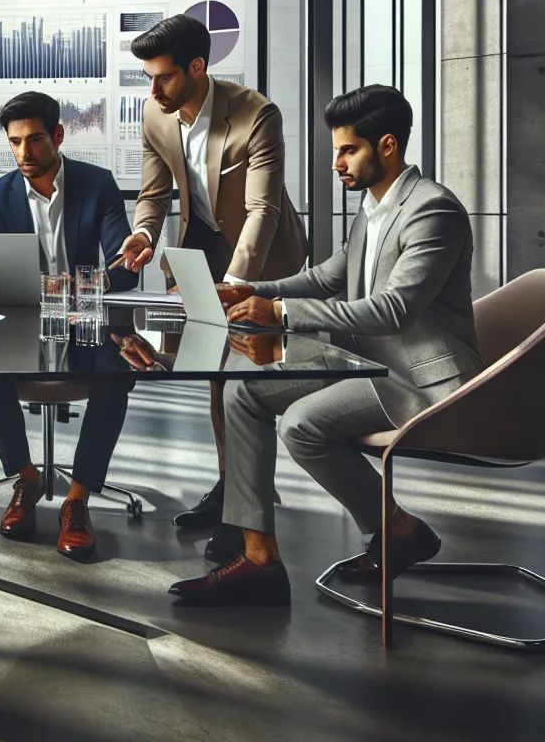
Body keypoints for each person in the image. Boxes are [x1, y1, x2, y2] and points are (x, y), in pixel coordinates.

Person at [167, 85, 484, 606]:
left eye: (346, 149)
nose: (336, 161)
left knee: (301, 423)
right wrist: (250, 290)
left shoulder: (433, 212)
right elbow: (328, 277)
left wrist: (281, 314)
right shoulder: (373, 208)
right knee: (241, 392)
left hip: (419, 381)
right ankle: (258, 557)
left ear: (386, 146)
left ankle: (397, 529)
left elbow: (393, 310)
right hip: (368, 366)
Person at [114, 13, 305, 537]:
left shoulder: (255, 114)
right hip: (203, 250)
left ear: (197, 67)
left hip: (262, 259)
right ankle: (234, 490)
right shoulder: (157, 114)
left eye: (164, 77)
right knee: (216, 379)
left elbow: (263, 210)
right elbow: (153, 194)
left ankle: (246, 507)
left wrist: (237, 285)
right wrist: (146, 235)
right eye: (148, 78)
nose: (153, 90)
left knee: (244, 381)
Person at [0, 92, 137, 559]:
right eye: (15, 142)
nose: (25, 152)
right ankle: (26, 478)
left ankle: (77, 499)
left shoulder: (97, 184)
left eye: (35, 139)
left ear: (58, 136)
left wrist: (89, 282)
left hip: (87, 317)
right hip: (24, 323)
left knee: (116, 372)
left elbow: (125, 266)